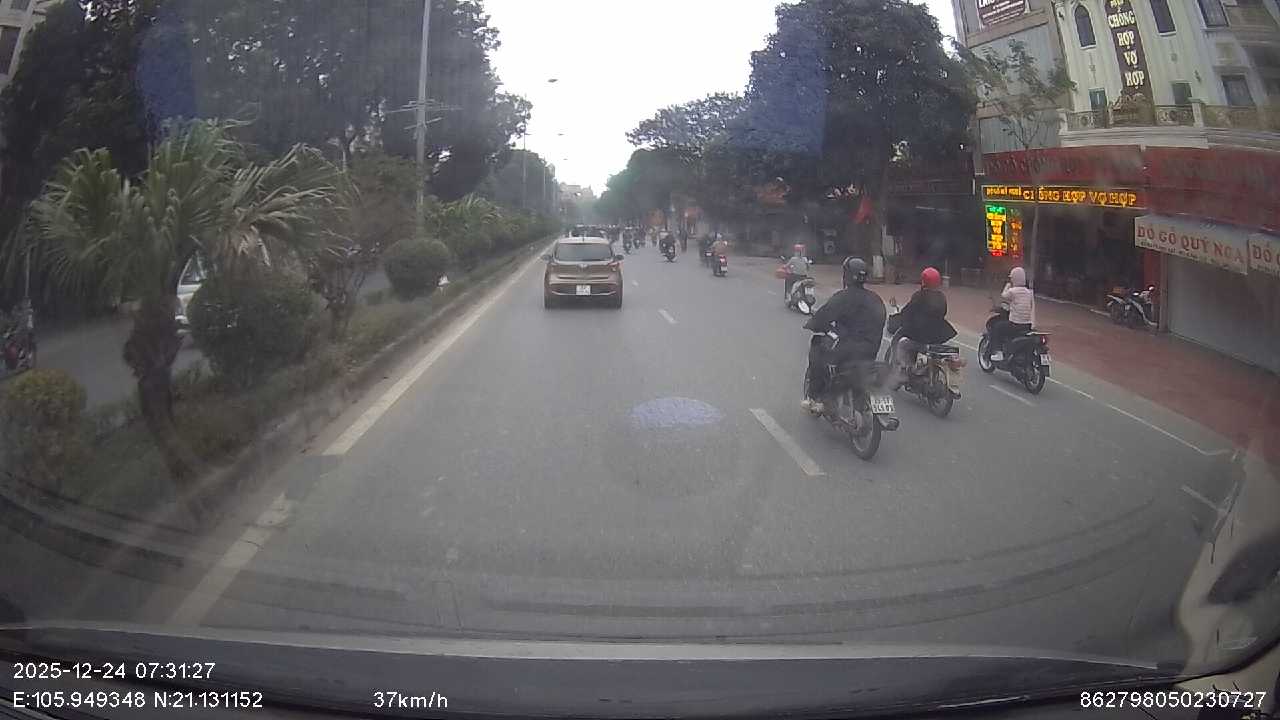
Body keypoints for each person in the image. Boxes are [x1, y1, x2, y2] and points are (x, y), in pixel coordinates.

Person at [802, 257, 887, 413]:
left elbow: (822, 317)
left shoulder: (843, 297)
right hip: (871, 351)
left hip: (848, 351)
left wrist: (814, 323)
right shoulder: (876, 299)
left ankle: (815, 397)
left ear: (846, 275)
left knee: (818, 347)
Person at [891, 267, 956, 388]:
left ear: (924, 281)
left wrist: (900, 318)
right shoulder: (941, 297)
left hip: (921, 337)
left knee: (902, 344)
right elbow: (943, 312)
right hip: (937, 338)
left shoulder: (919, 296)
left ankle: (903, 372)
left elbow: (908, 311)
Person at [988, 266, 1035, 362]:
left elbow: (1003, 295)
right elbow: (1029, 306)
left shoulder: (1013, 291)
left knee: (997, 327)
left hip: (1015, 324)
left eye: (1012, 278)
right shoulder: (1028, 293)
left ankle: (998, 353)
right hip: (1027, 325)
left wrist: (1007, 285)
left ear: (1015, 278)